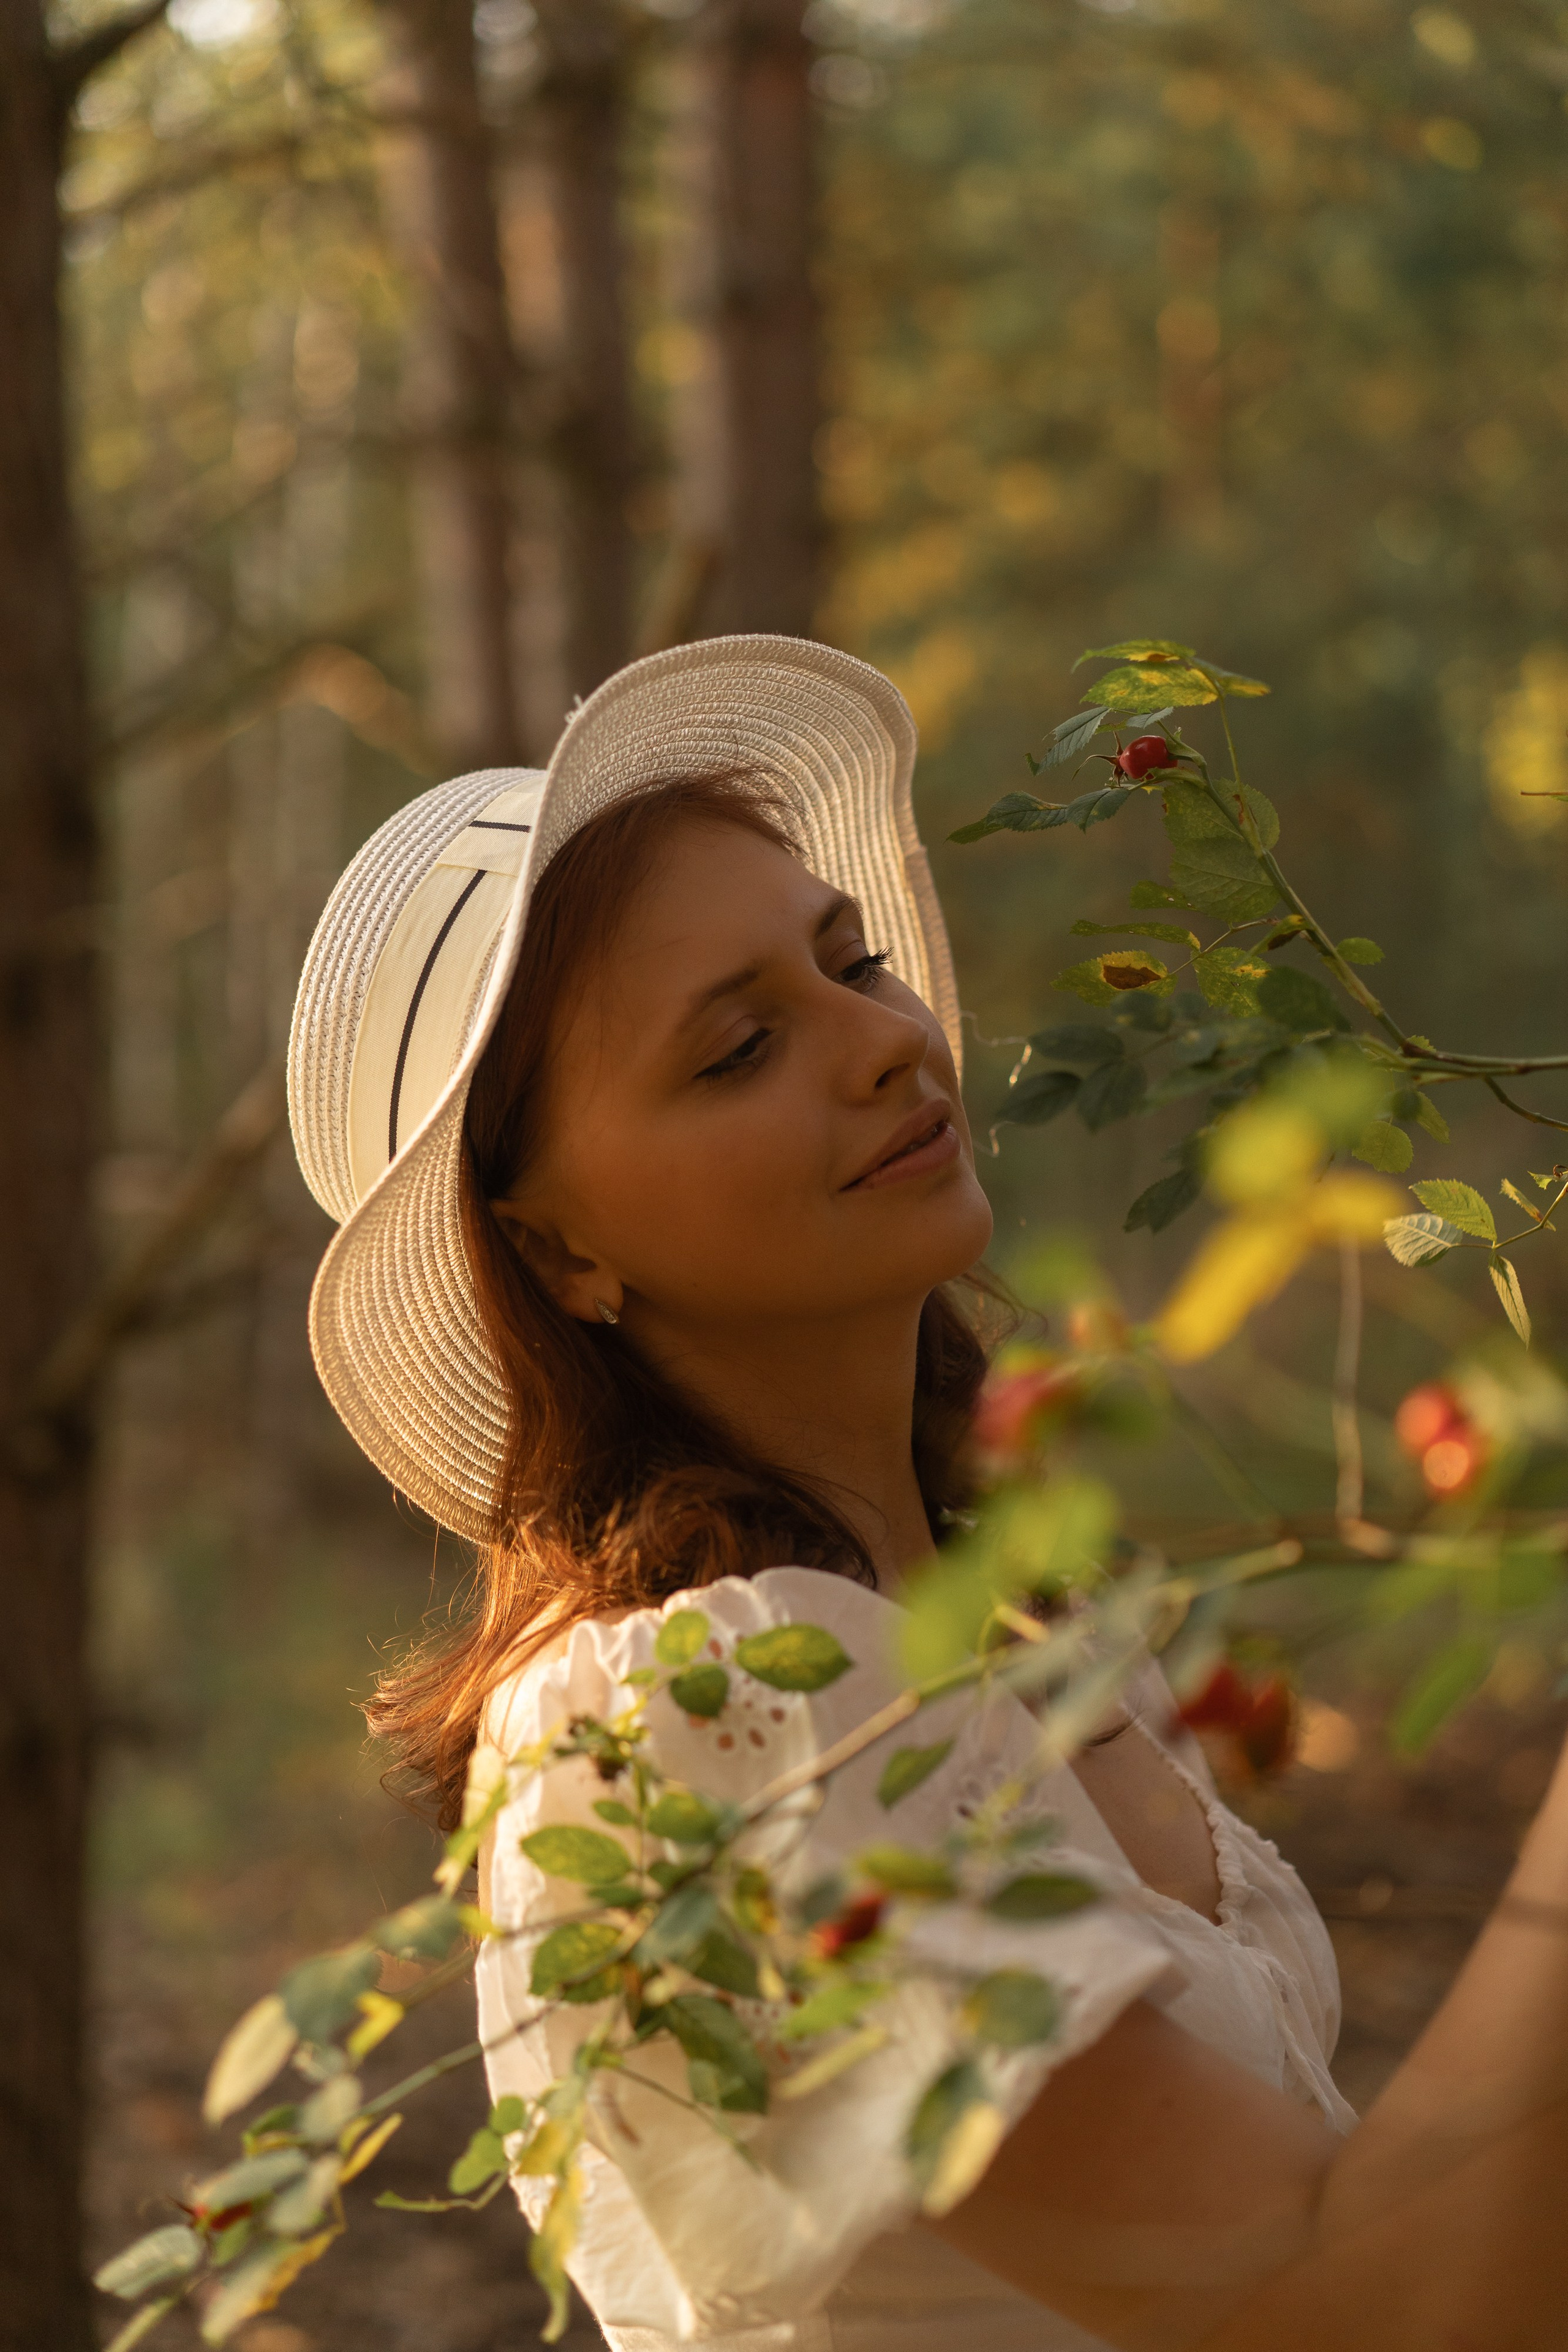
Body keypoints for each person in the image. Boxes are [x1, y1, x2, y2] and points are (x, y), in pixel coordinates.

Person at [289, 637, 1568, 2351]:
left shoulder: (1008, 1622)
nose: (888, 1042)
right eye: (739, 1048)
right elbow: (1343, 2299)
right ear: (559, 1248)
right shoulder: (699, 1720)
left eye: (853, 959)